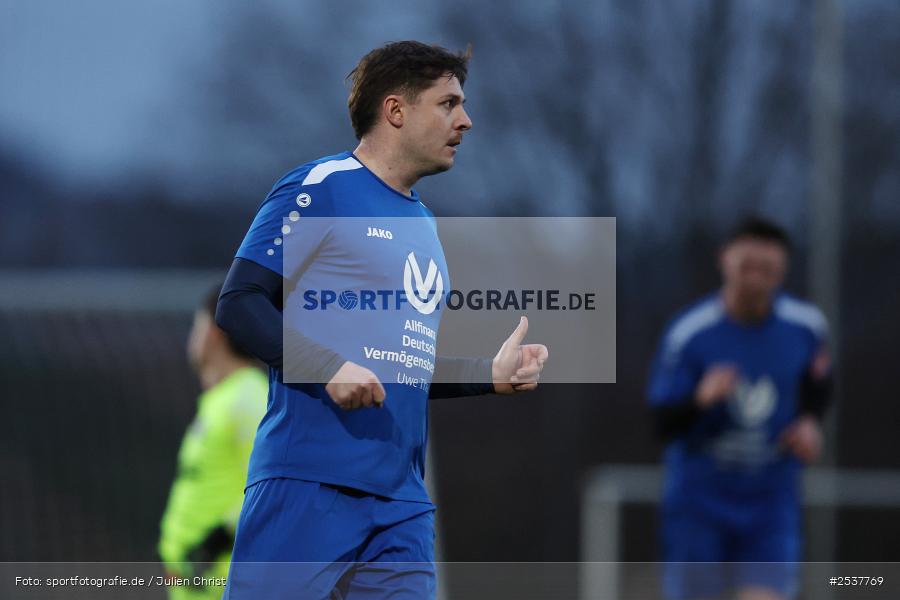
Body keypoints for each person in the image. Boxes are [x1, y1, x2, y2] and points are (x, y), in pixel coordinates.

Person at [215, 41, 548, 599]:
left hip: (401, 504)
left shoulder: (423, 222)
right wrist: (325, 366)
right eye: (448, 104)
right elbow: (240, 303)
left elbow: (400, 364)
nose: (466, 120)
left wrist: (485, 373)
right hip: (309, 484)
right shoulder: (322, 186)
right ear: (396, 111)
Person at [647, 217, 833, 600]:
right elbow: (661, 422)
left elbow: (819, 385)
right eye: (747, 266)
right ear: (724, 260)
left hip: (770, 500)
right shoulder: (690, 334)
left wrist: (810, 423)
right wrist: (701, 398)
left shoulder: (806, 327)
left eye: (767, 269)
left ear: (782, 270)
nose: (756, 278)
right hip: (699, 503)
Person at [158, 286, 268, 600]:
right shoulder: (224, 398)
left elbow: (268, 484)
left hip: (222, 581)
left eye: (197, 325)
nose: (192, 337)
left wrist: (217, 540)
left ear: (215, 331)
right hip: (198, 584)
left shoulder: (248, 396)